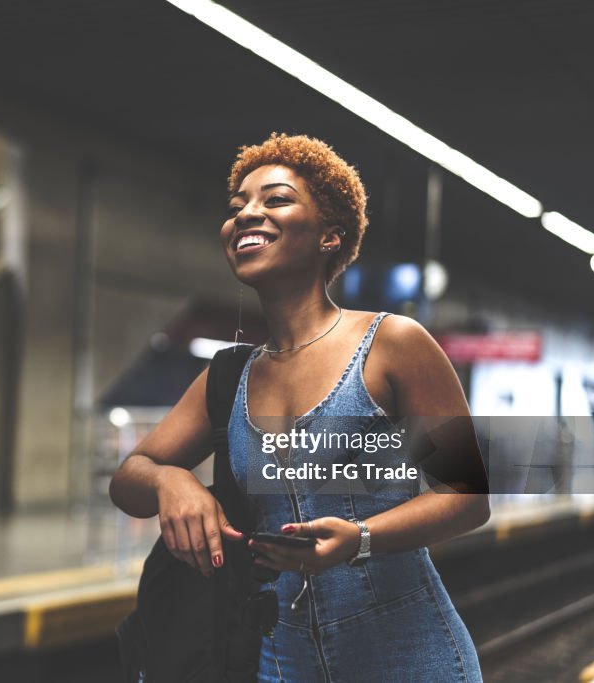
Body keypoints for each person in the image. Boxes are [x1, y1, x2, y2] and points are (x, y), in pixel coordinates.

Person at [109, 132, 490, 682]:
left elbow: (469, 497)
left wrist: (360, 538)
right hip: (281, 662)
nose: (247, 215)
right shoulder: (228, 378)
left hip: (406, 655)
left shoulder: (394, 345)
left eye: (276, 199)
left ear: (330, 235)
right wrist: (174, 483)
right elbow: (129, 478)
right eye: (237, 206)